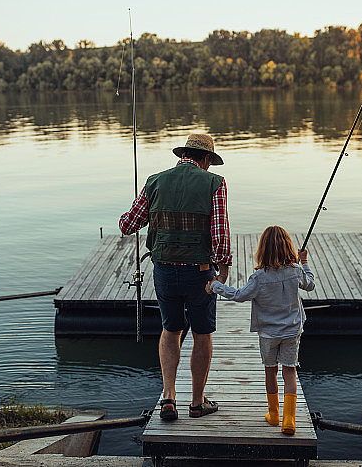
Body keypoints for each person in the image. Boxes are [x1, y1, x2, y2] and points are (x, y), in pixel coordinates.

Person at [119, 133, 231, 421]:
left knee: (171, 329)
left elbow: (128, 225)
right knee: (202, 333)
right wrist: (224, 268)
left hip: (165, 271)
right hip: (200, 273)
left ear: (183, 154)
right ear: (205, 159)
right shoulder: (215, 183)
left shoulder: (155, 181)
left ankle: (168, 397)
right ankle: (197, 402)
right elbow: (219, 232)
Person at [206, 225, 315, 435]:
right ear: (288, 247)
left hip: (268, 333)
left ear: (262, 250)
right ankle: (289, 420)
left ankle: (274, 415)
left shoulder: (259, 278)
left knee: (270, 371)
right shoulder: (296, 271)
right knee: (289, 371)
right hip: (292, 331)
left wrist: (215, 286)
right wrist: (304, 262)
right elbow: (310, 285)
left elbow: (238, 295)